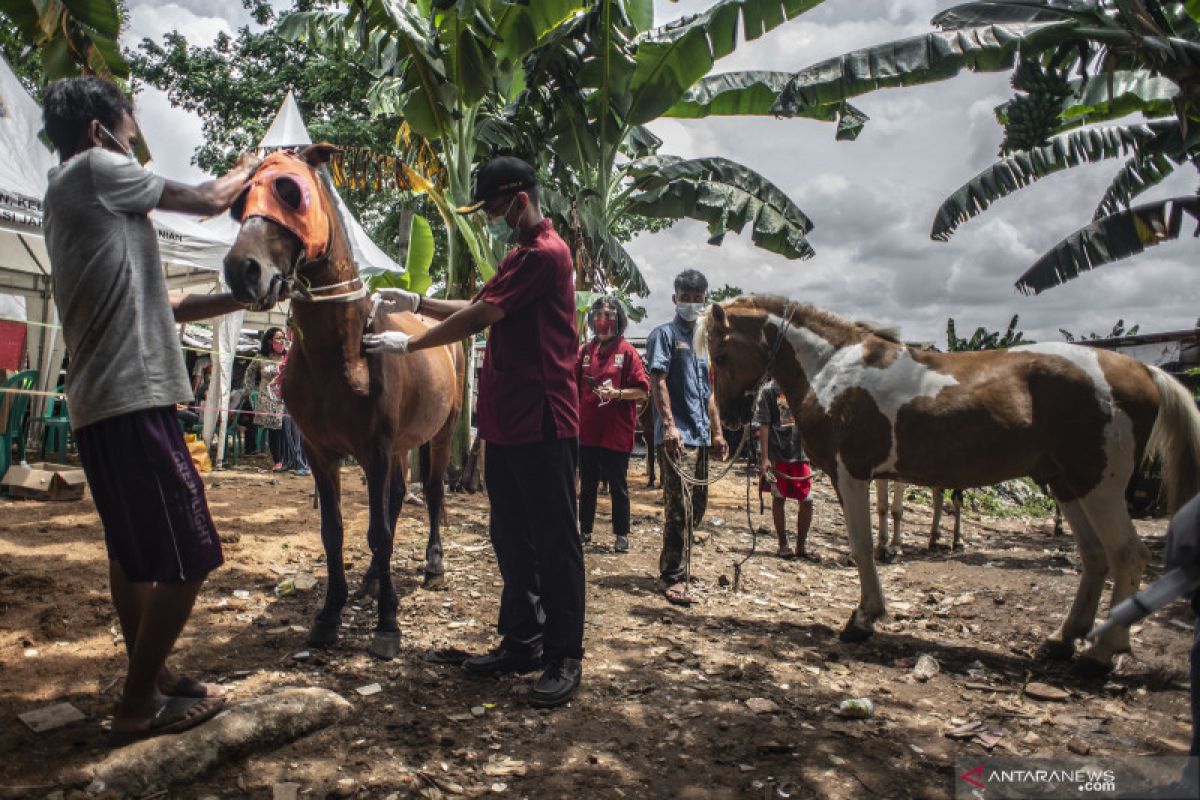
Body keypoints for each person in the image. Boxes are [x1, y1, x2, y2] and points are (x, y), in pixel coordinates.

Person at [41, 76, 261, 742]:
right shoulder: (99, 169)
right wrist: (255, 163)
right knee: (191, 553)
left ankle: (155, 673)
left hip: (102, 401)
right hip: (133, 396)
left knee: (133, 554)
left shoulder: (73, 198)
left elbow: (169, 306)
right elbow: (206, 199)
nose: (135, 139)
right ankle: (136, 704)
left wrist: (244, 300)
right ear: (99, 129)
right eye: (131, 126)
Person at [362, 156, 584, 708]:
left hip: (544, 418)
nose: (486, 216)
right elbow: (480, 303)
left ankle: (563, 655)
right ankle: (522, 642)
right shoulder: (517, 257)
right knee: (510, 537)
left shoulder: (546, 255)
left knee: (555, 543)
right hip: (508, 420)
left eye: (490, 207)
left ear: (518, 201)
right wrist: (417, 303)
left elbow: (483, 317)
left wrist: (412, 342)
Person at [646, 270, 728, 606]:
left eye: (698, 298)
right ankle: (672, 576)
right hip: (677, 435)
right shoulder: (663, 335)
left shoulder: (702, 343)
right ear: (675, 298)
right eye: (686, 297)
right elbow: (659, 381)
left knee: (699, 503)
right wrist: (668, 426)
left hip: (701, 434)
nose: (692, 303)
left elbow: (708, 393)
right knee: (678, 506)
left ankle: (681, 563)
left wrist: (718, 432)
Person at [576, 296, 649, 552]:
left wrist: (617, 394)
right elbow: (571, 386)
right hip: (587, 433)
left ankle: (621, 534)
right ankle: (584, 531)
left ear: (619, 320)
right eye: (597, 316)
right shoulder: (585, 351)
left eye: (608, 315)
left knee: (618, 485)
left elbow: (642, 391)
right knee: (588, 485)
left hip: (617, 433)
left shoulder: (627, 352)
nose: (602, 321)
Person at [754, 379, 818, 561]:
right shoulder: (768, 391)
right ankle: (783, 544)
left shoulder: (803, 386)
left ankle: (801, 545)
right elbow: (764, 424)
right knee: (779, 497)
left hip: (801, 452)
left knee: (807, 500)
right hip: (778, 452)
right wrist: (765, 457)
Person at [244, 328, 286, 471]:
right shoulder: (261, 357)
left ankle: (289, 459)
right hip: (267, 398)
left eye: (283, 338)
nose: (282, 341)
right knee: (275, 427)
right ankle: (278, 460)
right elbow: (249, 373)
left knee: (287, 427)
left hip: (286, 397)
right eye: (278, 338)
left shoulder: (287, 356)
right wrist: (250, 391)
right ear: (270, 341)